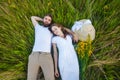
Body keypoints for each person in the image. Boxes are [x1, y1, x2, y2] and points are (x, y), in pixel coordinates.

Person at [27, 14, 78, 80]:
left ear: (51, 22)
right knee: (30, 78)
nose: (47, 21)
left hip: (46, 56)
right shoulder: (38, 27)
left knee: (50, 78)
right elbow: (32, 17)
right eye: (46, 19)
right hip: (34, 55)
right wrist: (43, 20)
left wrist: (73, 34)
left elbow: (62, 29)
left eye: (49, 20)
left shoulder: (51, 31)